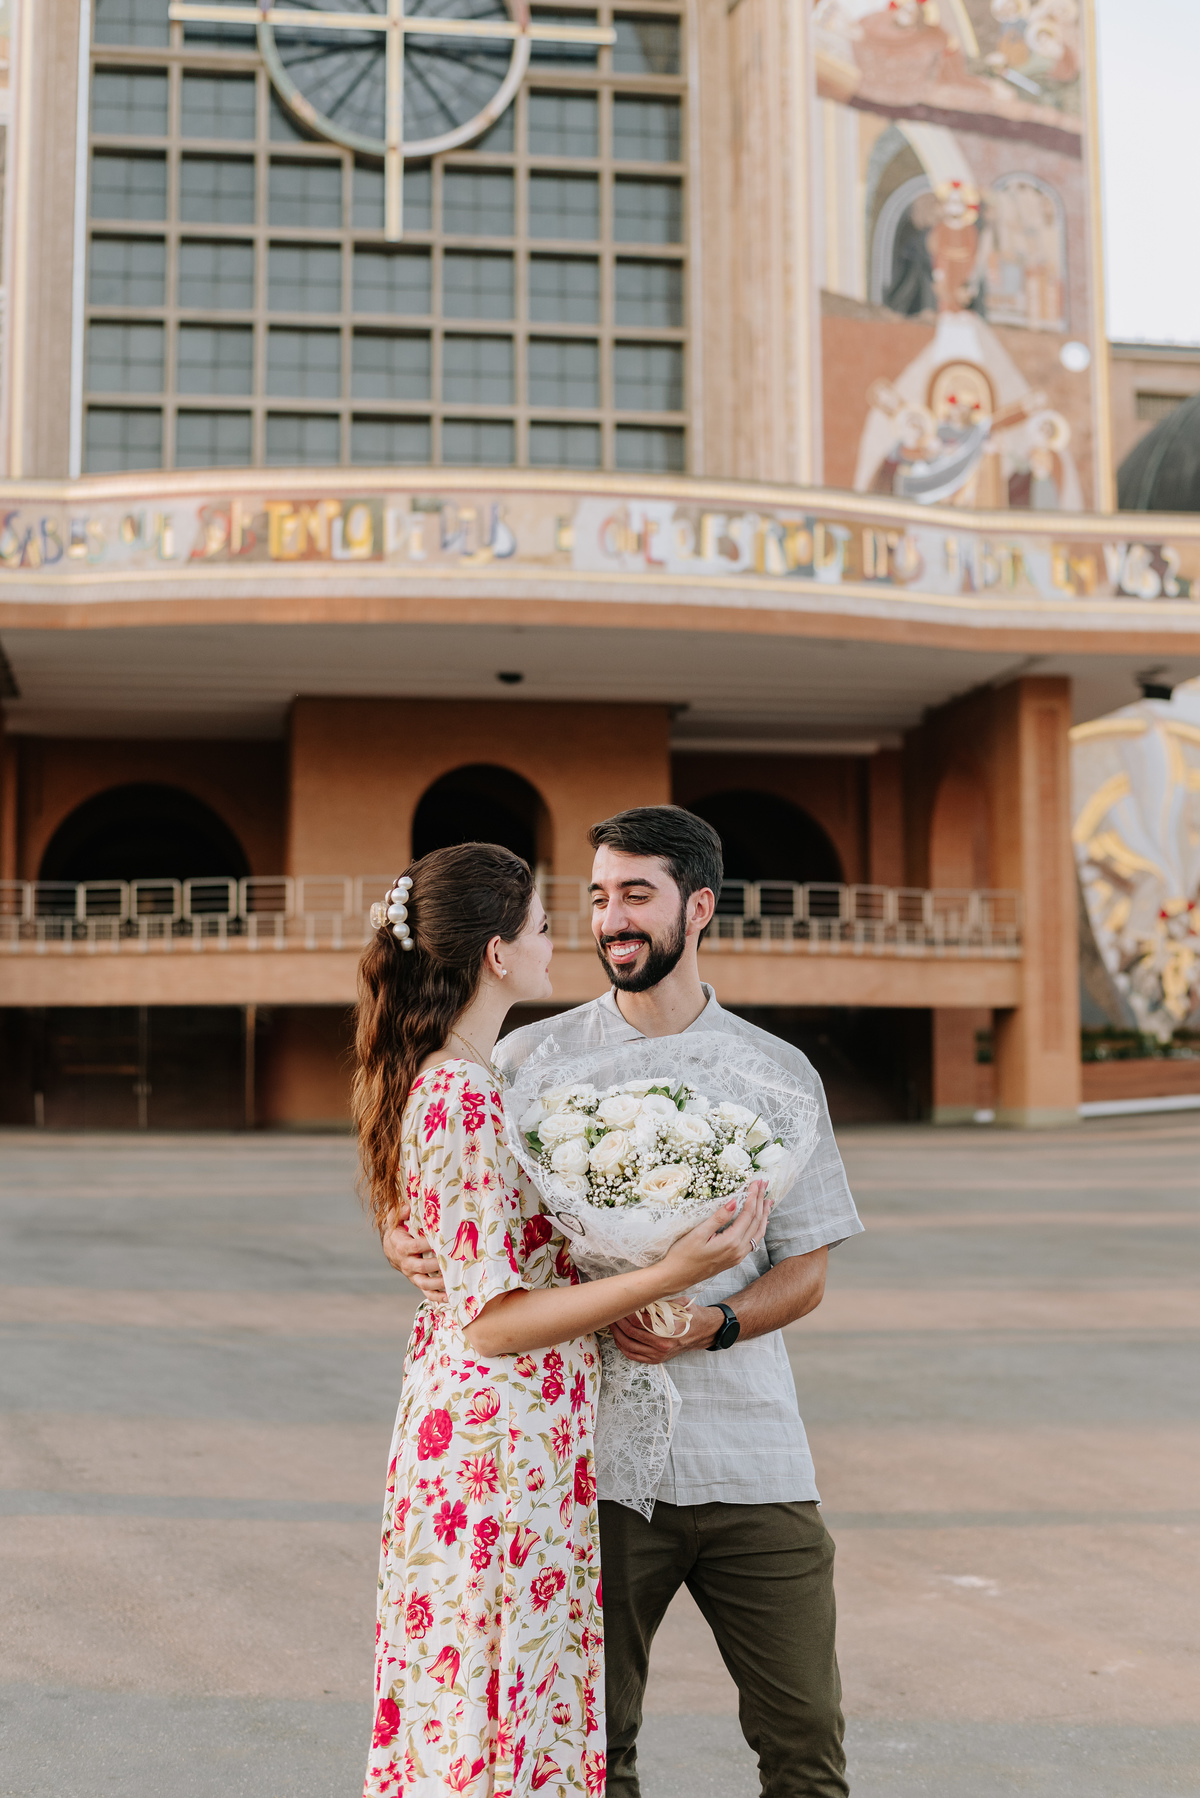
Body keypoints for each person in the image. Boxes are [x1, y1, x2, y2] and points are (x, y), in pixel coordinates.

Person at [386, 808, 864, 1798]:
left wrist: (711, 1320)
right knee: (593, 1748)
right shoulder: (523, 1065)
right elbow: (463, 1221)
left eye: (635, 894)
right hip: (587, 1466)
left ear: (699, 907)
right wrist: (403, 1242)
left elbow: (807, 1269)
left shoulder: (778, 1074)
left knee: (806, 1741)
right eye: (597, 897)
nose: (610, 919)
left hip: (751, 1453)